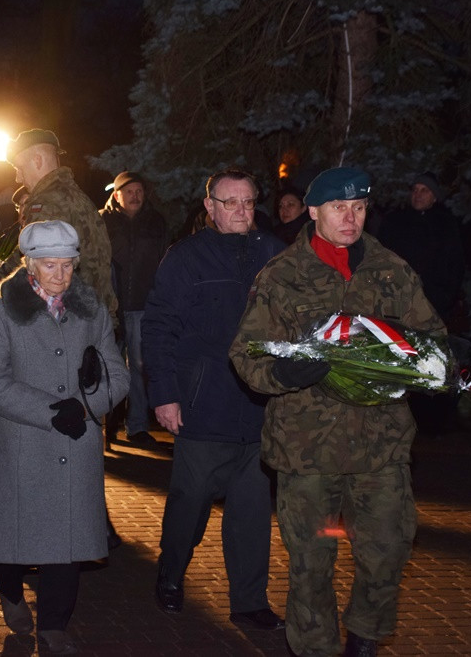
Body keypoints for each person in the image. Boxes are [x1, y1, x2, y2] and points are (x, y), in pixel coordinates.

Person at [229, 166, 445, 657]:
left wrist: (418, 368)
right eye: (338, 208)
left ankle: (365, 640)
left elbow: (431, 340)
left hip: (380, 444)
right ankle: (313, 649)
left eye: (360, 207)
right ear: (313, 212)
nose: (351, 218)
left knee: (389, 550)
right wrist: (283, 375)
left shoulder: (392, 270)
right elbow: (246, 354)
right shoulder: (283, 275)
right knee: (310, 562)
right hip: (308, 448)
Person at [0, 220, 129, 654]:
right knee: (11, 543)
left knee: (68, 540)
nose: (60, 275)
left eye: (67, 265)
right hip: (21, 442)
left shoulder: (92, 311)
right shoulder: (0, 313)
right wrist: (49, 412)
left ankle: (55, 626)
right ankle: (9, 589)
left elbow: (118, 376)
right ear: (30, 265)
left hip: (75, 440)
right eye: (49, 265)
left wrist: (86, 405)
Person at [142, 168, 286, 629]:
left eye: (248, 202)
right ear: (210, 207)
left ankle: (249, 600)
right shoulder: (186, 258)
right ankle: (170, 573)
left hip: (259, 406)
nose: (241, 211)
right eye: (230, 203)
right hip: (205, 401)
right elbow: (159, 326)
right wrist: (163, 394)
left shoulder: (273, 253)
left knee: (251, 509)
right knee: (190, 498)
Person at [0, 129, 117, 325]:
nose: (17, 178)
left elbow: (26, 262)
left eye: (19, 168)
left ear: (37, 160)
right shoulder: (75, 196)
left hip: (67, 321)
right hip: (90, 316)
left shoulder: (48, 202)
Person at [378, 172, 464, 435]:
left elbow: (455, 267)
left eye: (424, 190)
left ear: (435, 196)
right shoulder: (396, 223)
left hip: (433, 306)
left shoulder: (446, 224)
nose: (418, 194)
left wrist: (442, 299)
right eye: (415, 189)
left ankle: (435, 421)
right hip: (398, 308)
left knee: (432, 364)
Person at [100, 170, 168, 447]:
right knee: (107, 367)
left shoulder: (156, 222)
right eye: (129, 191)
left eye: (139, 191)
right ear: (116, 195)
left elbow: (165, 262)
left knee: (140, 367)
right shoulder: (102, 222)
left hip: (143, 305)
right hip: (110, 307)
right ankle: (107, 424)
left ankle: (137, 425)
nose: (135, 196)